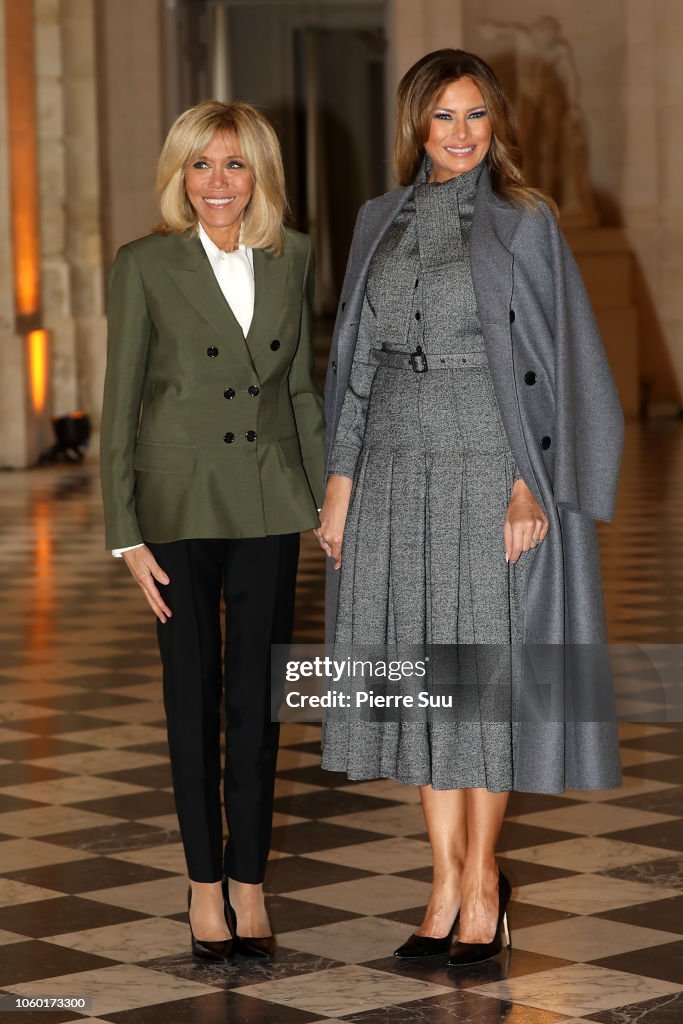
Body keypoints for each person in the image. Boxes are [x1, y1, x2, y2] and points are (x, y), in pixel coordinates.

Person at [318, 49, 623, 968]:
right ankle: (440, 881)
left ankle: (483, 883)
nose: (459, 134)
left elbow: (556, 364)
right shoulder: (378, 219)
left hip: (489, 467)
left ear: (496, 126)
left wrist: (531, 483)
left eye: (475, 117)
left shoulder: (524, 222)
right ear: (415, 123)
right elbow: (356, 361)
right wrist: (339, 482)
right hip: (392, 467)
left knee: (479, 688)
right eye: (443, 116)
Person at [100, 100, 324, 963]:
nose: (217, 184)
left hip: (267, 502)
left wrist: (323, 499)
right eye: (201, 165)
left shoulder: (291, 256)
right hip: (176, 509)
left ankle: (250, 882)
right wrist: (127, 537)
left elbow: (299, 389)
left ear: (258, 175)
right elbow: (120, 406)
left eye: (233, 165)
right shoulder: (145, 265)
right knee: (190, 698)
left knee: (254, 705)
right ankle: (202, 884)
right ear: (179, 176)